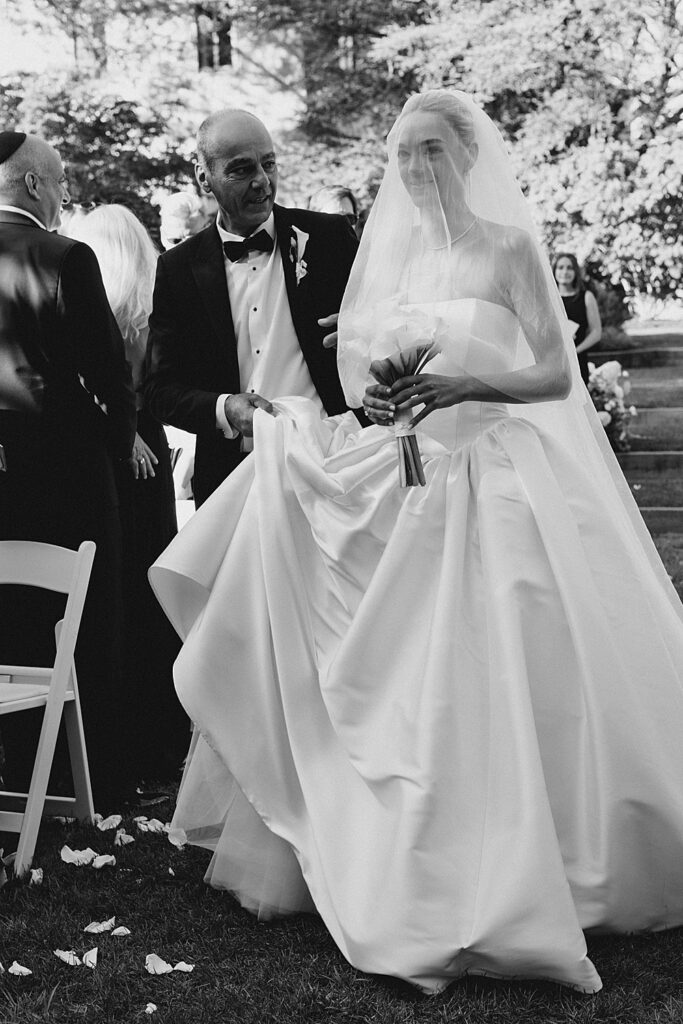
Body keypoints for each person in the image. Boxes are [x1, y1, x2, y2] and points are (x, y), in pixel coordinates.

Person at [149, 92, 683, 994]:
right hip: (414, 482)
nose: (415, 170)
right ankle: (405, 844)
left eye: (431, 153)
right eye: (404, 156)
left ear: (466, 156)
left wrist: (459, 381)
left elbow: (553, 371)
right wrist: (383, 386)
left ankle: (555, 850)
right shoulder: (393, 258)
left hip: (504, 479)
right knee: (406, 674)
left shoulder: (506, 247)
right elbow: (367, 374)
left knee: (519, 653)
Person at [0, 133, 137, 810]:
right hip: (67, 473)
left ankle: (22, 769)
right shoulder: (65, 256)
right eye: (57, 182)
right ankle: (100, 778)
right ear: (30, 185)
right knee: (88, 621)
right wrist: (118, 449)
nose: (62, 195)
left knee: (12, 620)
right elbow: (110, 374)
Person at [143, 109, 360, 506]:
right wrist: (225, 409)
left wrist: (363, 332)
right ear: (203, 177)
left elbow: (385, 333)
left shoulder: (329, 238)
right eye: (241, 170)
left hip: (336, 469)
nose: (262, 181)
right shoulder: (177, 269)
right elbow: (159, 390)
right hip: (235, 482)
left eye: (269, 164)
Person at [68, 205, 188, 783]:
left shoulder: (82, 305)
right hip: (148, 453)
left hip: (107, 458)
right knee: (149, 592)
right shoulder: (149, 308)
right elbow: (154, 387)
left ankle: (109, 741)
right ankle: (157, 742)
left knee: (112, 595)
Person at [552, 252, 602, 384]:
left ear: (576, 272)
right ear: (554, 270)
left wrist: (574, 351)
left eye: (570, 268)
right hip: (551, 361)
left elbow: (596, 332)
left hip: (577, 362)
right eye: (560, 267)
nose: (565, 271)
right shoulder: (549, 298)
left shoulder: (586, 297)